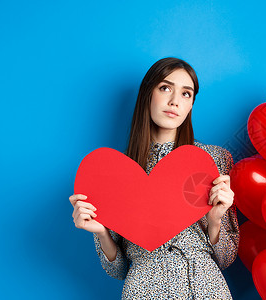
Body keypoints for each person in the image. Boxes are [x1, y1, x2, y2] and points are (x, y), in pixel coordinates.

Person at [68, 57, 239, 299]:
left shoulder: (214, 160)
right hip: (145, 289)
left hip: (205, 288)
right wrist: (101, 232)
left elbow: (226, 257)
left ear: (191, 105)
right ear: (148, 93)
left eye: (186, 94)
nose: (174, 102)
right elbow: (117, 270)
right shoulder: (115, 172)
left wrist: (215, 221)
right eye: (165, 88)